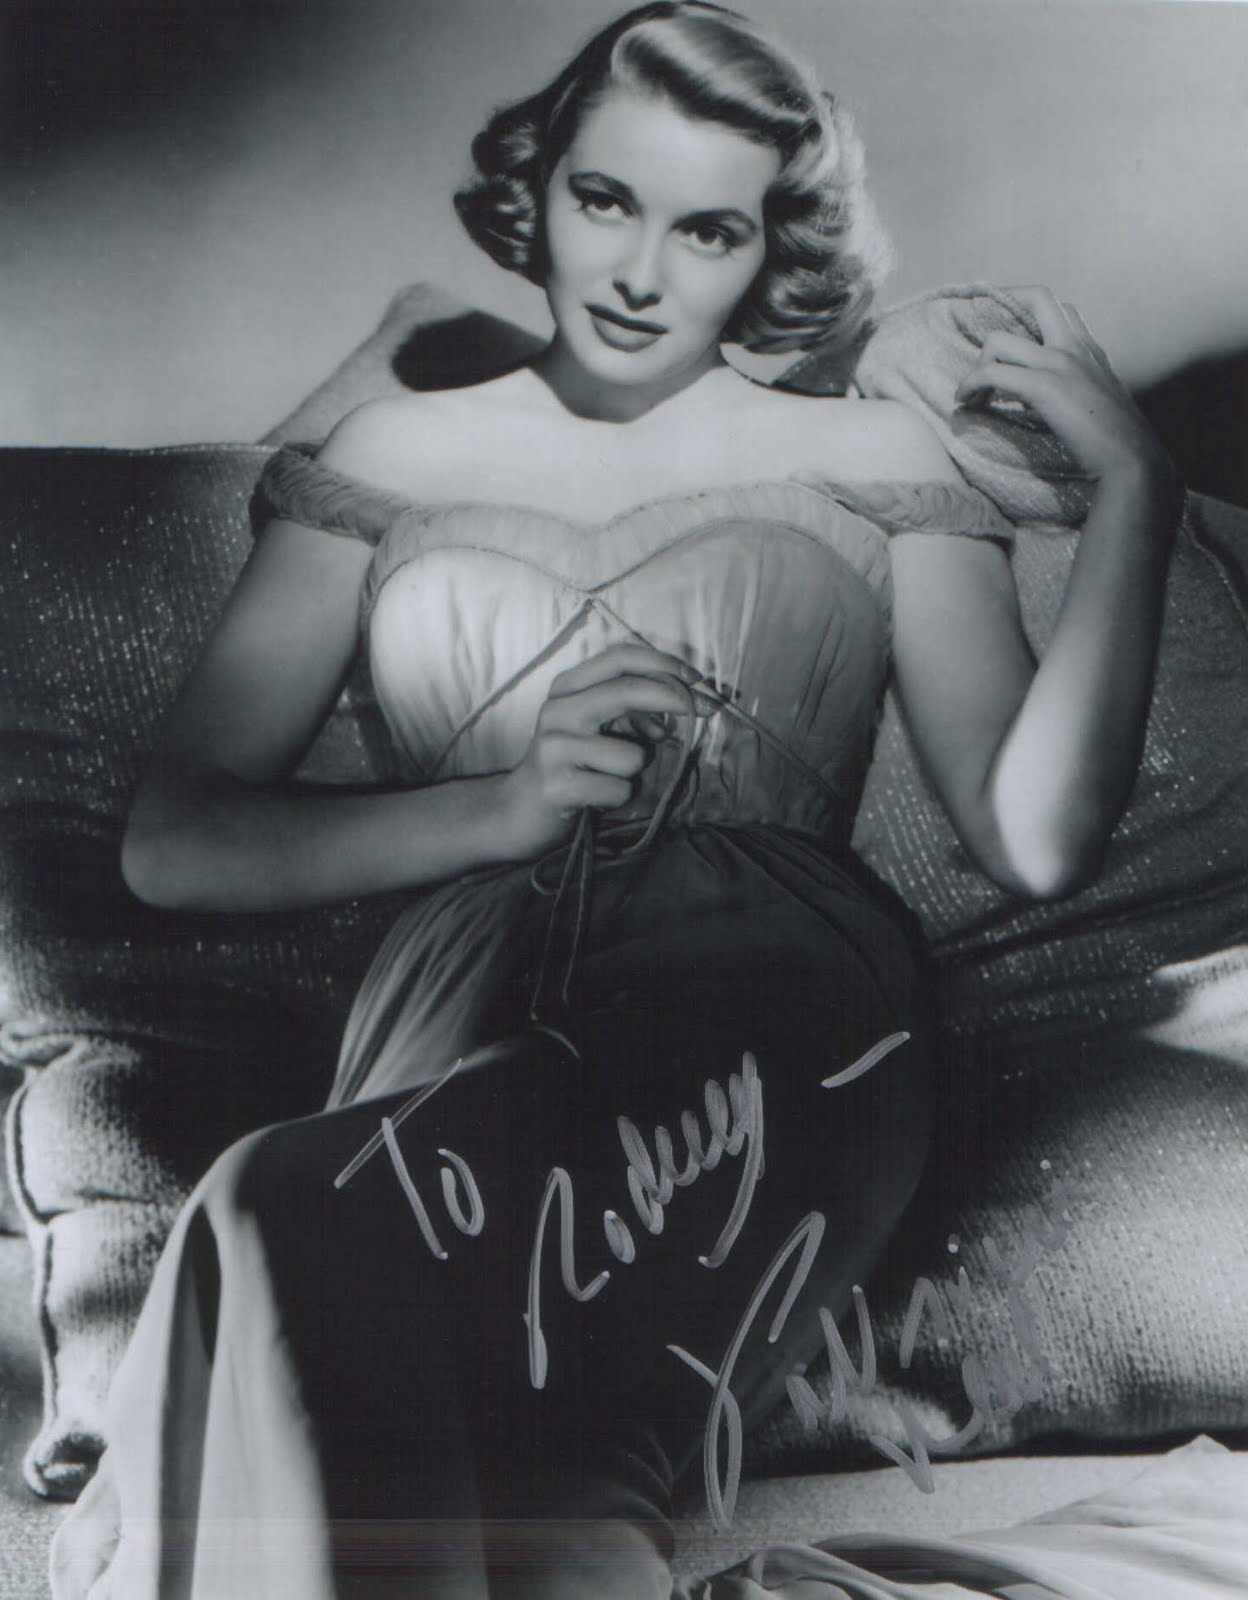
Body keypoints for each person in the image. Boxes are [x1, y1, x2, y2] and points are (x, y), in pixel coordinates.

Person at [51, 4, 1181, 1597]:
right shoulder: (390, 452)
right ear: (541, 188)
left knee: (282, 1205)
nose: (643, 271)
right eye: (608, 201)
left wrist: (1135, 490)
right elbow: (175, 844)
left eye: (708, 229)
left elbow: (1036, 833)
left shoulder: (870, 451)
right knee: (527, 1504)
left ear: (768, 249)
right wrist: (499, 807)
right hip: (462, 998)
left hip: (773, 1003)